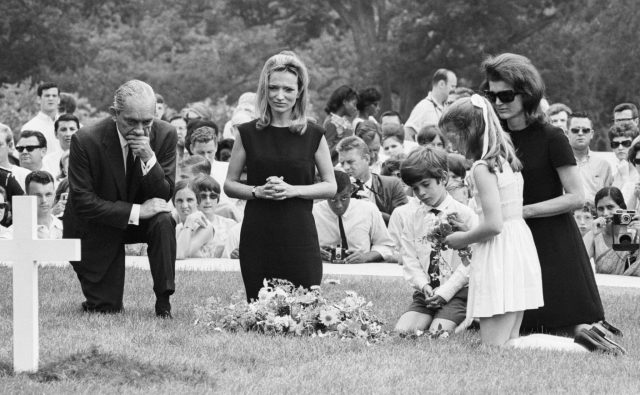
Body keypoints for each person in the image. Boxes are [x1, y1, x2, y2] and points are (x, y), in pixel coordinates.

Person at [440, 94, 613, 353]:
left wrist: (461, 239)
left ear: (471, 130)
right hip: (518, 244)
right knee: (510, 337)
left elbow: (494, 224)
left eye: (453, 135)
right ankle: (584, 342)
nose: (450, 143)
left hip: (499, 251)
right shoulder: (507, 159)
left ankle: (582, 347)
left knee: (496, 345)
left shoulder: (481, 167)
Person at [481, 53, 610, 341]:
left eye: (506, 95)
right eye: (492, 95)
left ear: (527, 95)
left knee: (566, 325)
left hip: (553, 242)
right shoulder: (494, 137)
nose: (498, 102)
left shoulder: (552, 136)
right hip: (510, 239)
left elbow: (577, 196)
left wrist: (524, 212)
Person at [224, 51, 336, 301]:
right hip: (258, 233)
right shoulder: (247, 133)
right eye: (273, 88)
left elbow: (331, 186)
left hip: (299, 233)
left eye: (287, 89)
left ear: (300, 91)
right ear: (265, 90)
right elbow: (229, 185)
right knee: (260, 312)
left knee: (305, 311)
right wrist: (257, 191)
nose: (279, 95)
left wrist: (294, 190)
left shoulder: (313, 134)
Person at [64, 79, 177, 318]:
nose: (139, 130)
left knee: (164, 220)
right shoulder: (85, 140)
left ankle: (164, 300)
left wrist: (148, 158)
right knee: (106, 309)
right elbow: (84, 202)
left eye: (146, 122)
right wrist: (136, 211)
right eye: (131, 122)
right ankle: (102, 297)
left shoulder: (166, 134)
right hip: (97, 224)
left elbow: (164, 193)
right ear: (114, 114)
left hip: (142, 220)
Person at [394, 146, 477, 335]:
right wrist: (423, 285)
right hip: (427, 292)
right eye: (415, 189)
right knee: (403, 331)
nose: (421, 192)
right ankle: (430, 309)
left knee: (437, 333)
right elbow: (409, 257)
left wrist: (446, 292)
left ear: (443, 178)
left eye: (426, 184)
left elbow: (472, 261)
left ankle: (469, 317)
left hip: (458, 291)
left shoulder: (465, 215)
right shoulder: (412, 217)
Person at [314, 171, 394, 264]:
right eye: (332, 199)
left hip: (361, 270)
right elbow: (299, 246)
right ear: (324, 195)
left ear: (351, 191)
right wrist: (313, 251)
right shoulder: (314, 212)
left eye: (344, 198)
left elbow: (386, 245)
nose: (339, 205)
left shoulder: (368, 209)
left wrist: (366, 256)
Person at [336, 135, 408, 224]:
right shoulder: (339, 191)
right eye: (342, 163)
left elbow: (403, 222)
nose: (346, 167)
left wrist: (372, 209)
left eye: (350, 162)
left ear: (366, 158)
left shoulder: (392, 184)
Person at [176, 175, 236, 259]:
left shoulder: (231, 225)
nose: (208, 201)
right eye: (203, 196)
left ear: (218, 199)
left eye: (212, 196)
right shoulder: (180, 226)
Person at [584, 187, 640, 276]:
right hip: (605, 289)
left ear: (621, 208)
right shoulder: (595, 237)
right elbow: (578, 264)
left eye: (610, 207)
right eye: (600, 209)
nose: (605, 213)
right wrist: (591, 234)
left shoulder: (635, 233)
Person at [567, 111, 613, 203]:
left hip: (595, 216)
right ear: (566, 133)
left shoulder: (603, 165)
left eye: (585, 130)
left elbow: (608, 199)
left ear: (591, 134)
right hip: (565, 215)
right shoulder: (558, 163)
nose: (580, 133)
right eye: (575, 130)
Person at [405, 69, 457, 141]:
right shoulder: (423, 106)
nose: (455, 90)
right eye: (453, 86)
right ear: (441, 84)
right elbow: (407, 133)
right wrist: (418, 151)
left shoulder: (448, 106)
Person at [21, 82, 61, 154]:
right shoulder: (29, 127)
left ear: (59, 99)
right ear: (39, 99)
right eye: (47, 96)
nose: (51, 98)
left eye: (54, 96)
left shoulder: (70, 126)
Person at [322, 85, 358, 164]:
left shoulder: (342, 121)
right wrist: (345, 140)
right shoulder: (331, 123)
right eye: (354, 104)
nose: (355, 108)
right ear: (344, 102)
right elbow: (325, 153)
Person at [25, 170, 62, 239]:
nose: (44, 200)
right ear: (27, 196)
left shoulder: (65, 227)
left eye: (48, 195)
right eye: (38, 195)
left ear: (54, 195)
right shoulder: (14, 232)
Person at [609, 122, 639, 189]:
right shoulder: (615, 173)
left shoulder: (638, 172)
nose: (620, 148)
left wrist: (625, 177)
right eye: (615, 144)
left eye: (626, 143)